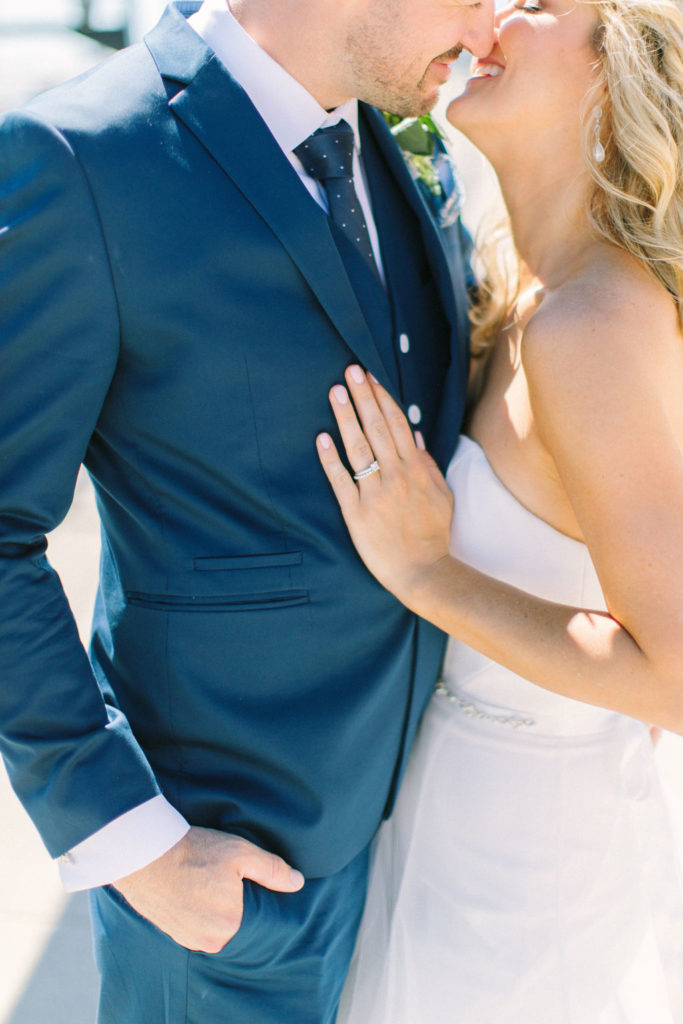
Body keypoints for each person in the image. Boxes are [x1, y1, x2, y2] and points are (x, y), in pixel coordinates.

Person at [0, 0, 495, 1020]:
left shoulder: (395, 151)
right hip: (225, 886)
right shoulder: (81, 156)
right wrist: (133, 843)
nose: (487, 23)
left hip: (410, 860)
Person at [316, 0, 683, 1019]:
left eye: (533, 6)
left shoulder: (591, 325)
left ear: (618, 67)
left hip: (524, 891)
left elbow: (676, 680)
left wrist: (431, 575)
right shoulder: (518, 294)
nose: (484, 23)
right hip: (451, 828)